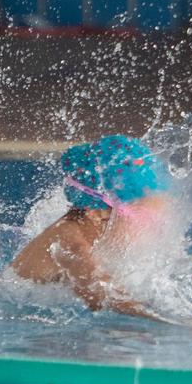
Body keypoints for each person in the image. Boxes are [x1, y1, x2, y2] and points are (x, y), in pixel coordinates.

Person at [14, 134, 179, 317]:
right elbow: (103, 298)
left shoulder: (99, 239)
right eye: (137, 213)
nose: (146, 223)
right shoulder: (69, 243)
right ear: (95, 212)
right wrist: (177, 323)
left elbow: (144, 275)